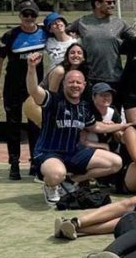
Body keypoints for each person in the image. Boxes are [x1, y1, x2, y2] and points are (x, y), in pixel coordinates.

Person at [25, 52, 128, 205]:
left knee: (116, 162)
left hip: (74, 152)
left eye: (79, 83)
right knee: (55, 174)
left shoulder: (84, 107)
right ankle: (50, 185)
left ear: (84, 85)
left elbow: (95, 126)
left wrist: (122, 125)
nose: (75, 85)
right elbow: (33, 90)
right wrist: (32, 68)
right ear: (64, 84)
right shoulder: (53, 100)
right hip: (49, 152)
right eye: (71, 82)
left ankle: (70, 180)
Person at [0, 0, 46, 179]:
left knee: (35, 126)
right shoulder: (10, 35)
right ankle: (14, 163)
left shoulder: (44, 33)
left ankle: (35, 162)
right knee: (13, 126)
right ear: (20, 16)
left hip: (35, 89)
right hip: (13, 88)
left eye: (32, 14)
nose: (29, 18)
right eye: (26, 14)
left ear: (37, 16)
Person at [67, 0, 135, 96]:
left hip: (113, 77)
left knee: (111, 111)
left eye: (113, 2)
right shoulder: (82, 22)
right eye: (108, 2)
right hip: (89, 77)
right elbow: (63, 31)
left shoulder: (119, 23)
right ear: (97, 4)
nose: (112, 5)